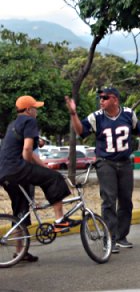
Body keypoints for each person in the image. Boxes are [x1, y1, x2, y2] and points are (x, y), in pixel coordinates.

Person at [65, 87, 140, 254]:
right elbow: (81, 131)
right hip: (105, 162)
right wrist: (73, 114)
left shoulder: (128, 114)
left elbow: (139, 130)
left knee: (126, 200)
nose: (101, 100)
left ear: (115, 100)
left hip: (124, 163)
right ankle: (110, 238)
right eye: (100, 98)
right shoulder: (96, 117)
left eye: (105, 97)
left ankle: (122, 236)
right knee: (109, 199)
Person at [0, 96, 80, 262]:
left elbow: (29, 152)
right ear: (29, 110)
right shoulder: (30, 122)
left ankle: (19, 252)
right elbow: (28, 149)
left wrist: (42, 167)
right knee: (55, 178)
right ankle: (59, 220)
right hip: (18, 169)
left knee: (20, 211)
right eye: (35, 108)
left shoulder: (12, 124)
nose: (37, 111)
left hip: (4, 173)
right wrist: (30, 166)